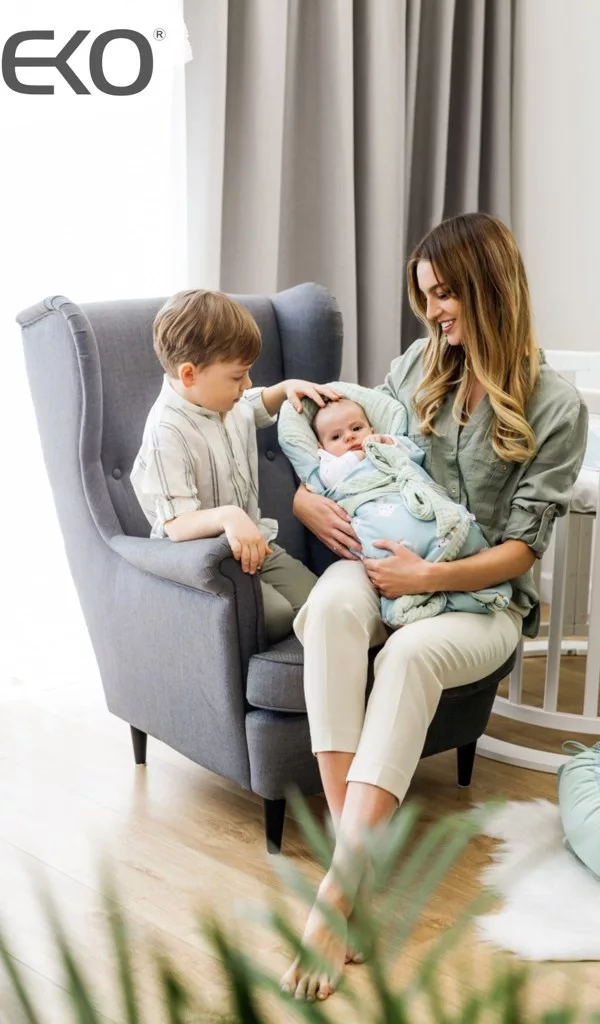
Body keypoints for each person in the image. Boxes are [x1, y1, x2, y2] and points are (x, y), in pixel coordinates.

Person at [280, 212, 589, 1001]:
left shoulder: (556, 405)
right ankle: (353, 870)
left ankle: (335, 894)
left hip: (478, 599)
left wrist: (428, 578)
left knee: (411, 657)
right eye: (427, 296)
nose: (434, 311)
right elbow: (337, 443)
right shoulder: (419, 365)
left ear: (490, 286)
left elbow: (522, 549)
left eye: (446, 293)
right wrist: (306, 500)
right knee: (330, 610)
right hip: (383, 568)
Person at [131, 288, 339, 644]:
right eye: (237, 376)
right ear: (189, 375)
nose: (247, 384)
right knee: (275, 616)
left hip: (257, 546)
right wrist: (228, 516)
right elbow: (176, 525)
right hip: (212, 565)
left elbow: (254, 404)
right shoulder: (167, 431)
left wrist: (285, 388)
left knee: (324, 602)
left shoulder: (225, 400)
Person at [278, 393, 512, 626]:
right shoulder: (328, 466)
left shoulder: (383, 445)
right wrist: (357, 456)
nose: (349, 437)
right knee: (381, 547)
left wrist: (387, 443)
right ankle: (421, 590)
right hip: (371, 509)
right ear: (321, 448)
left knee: (437, 521)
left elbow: (412, 456)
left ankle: (452, 566)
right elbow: (326, 480)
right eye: (336, 437)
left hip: (407, 497)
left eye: (357, 428)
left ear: (371, 429)